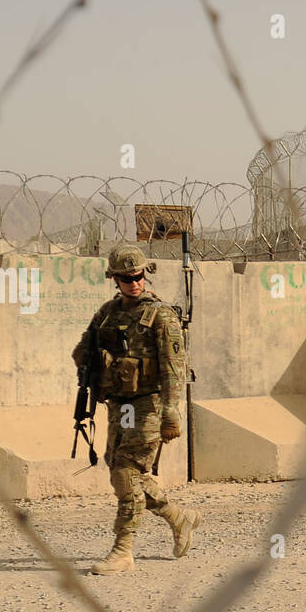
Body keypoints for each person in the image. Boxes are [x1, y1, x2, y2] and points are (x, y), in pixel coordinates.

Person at [71, 243, 200, 574]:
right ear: (114, 279)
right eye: (126, 278)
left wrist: (172, 412)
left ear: (146, 274)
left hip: (150, 403)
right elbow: (83, 350)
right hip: (119, 404)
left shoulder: (161, 315)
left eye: (138, 276)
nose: (133, 283)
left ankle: (123, 550)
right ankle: (178, 517)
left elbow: (175, 367)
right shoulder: (107, 314)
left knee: (126, 472)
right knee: (121, 467)